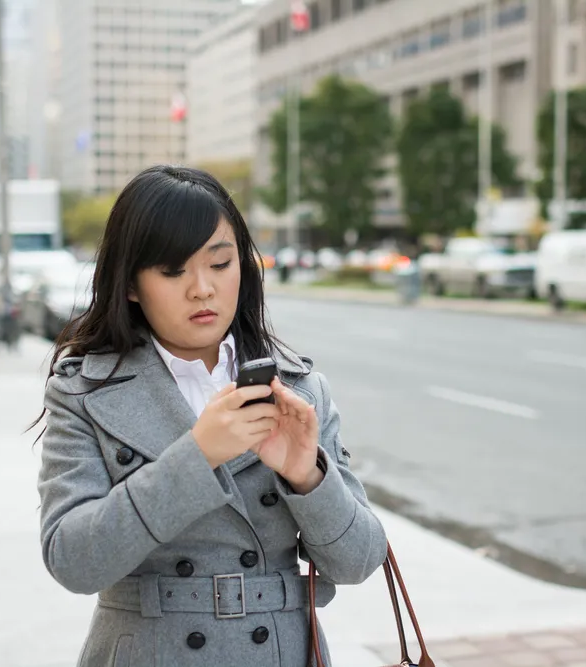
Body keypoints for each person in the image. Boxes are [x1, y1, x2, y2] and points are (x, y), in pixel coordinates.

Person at [34, 165, 387, 667]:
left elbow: (358, 562)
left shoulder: (298, 388)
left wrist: (308, 477)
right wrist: (196, 458)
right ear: (131, 283)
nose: (202, 288)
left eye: (220, 264)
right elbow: (72, 561)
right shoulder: (86, 392)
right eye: (173, 271)